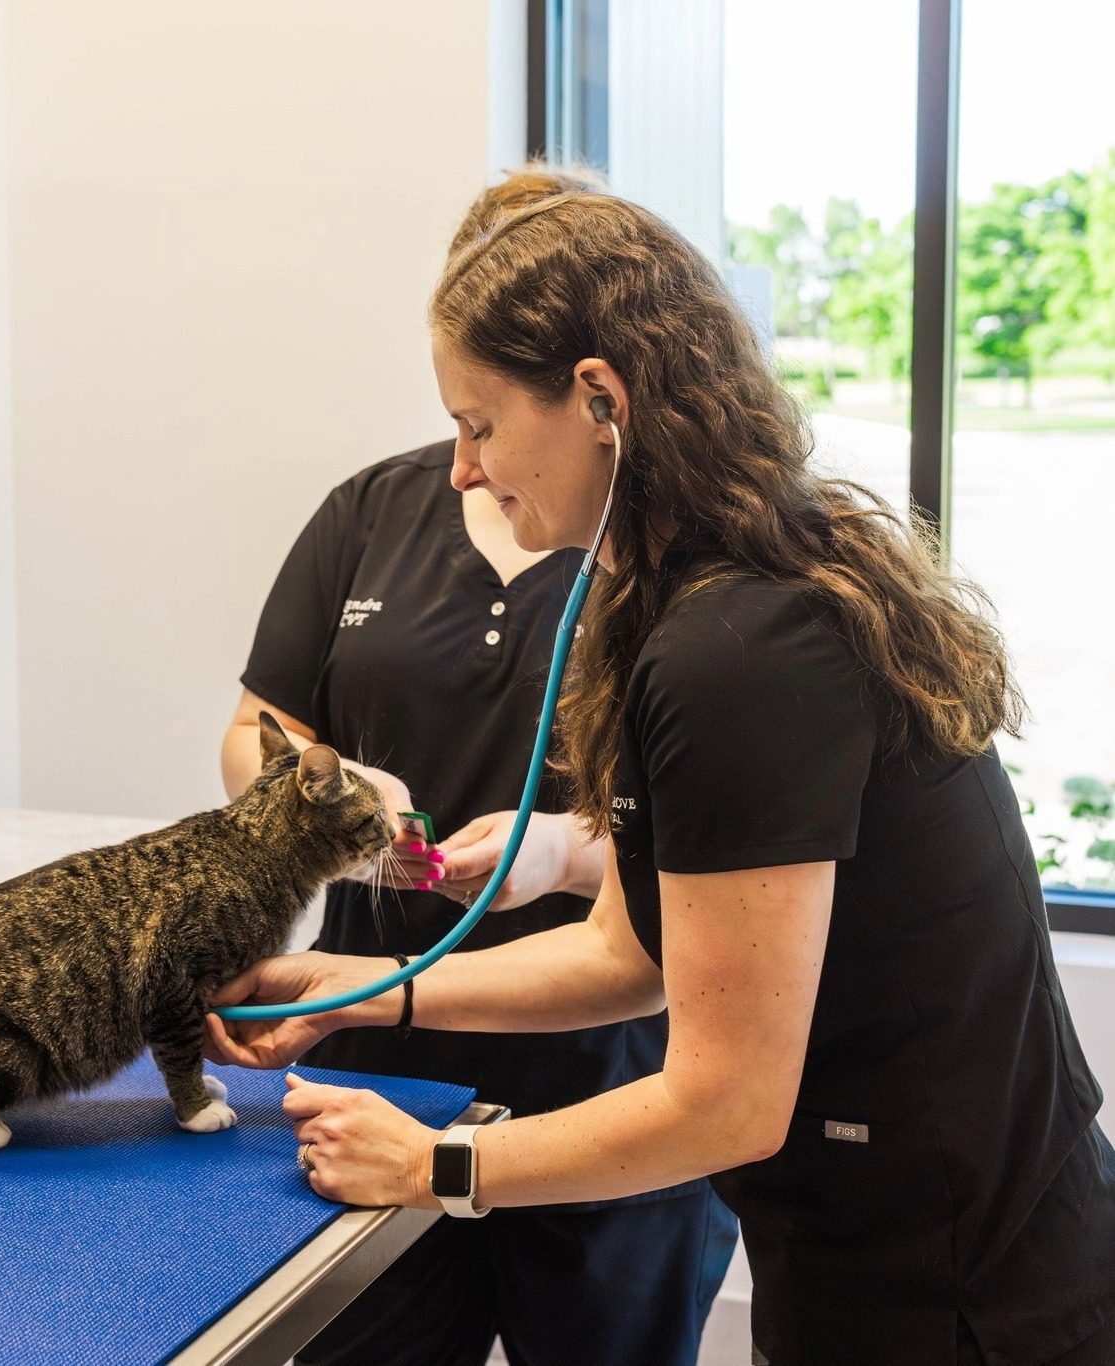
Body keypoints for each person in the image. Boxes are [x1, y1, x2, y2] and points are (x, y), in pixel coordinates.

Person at [209, 188, 1115, 1366]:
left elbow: (727, 1099)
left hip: (958, 1278)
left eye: (481, 424)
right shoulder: (714, 598)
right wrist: (358, 984)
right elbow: (627, 955)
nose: (463, 472)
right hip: (856, 1239)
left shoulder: (737, 648)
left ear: (600, 400)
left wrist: (437, 1165)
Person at [218, 172, 737, 1366]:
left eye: (488, 422)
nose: (469, 460)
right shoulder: (371, 509)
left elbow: (711, 833)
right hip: (378, 1068)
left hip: (607, 1073)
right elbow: (256, 730)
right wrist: (339, 793)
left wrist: (557, 849)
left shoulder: (671, 565)